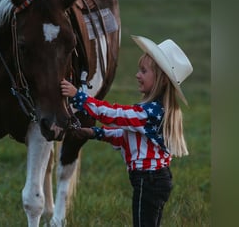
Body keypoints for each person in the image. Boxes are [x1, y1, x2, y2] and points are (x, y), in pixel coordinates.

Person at [60, 35, 193, 227]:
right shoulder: (154, 111)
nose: (137, 75)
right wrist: (94, 133)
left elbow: (114, 115)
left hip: (148, 181)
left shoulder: (148, 113)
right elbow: (125, 136)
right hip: (155, 179)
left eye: (143, 71)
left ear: (162, 80)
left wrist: (79, 97)